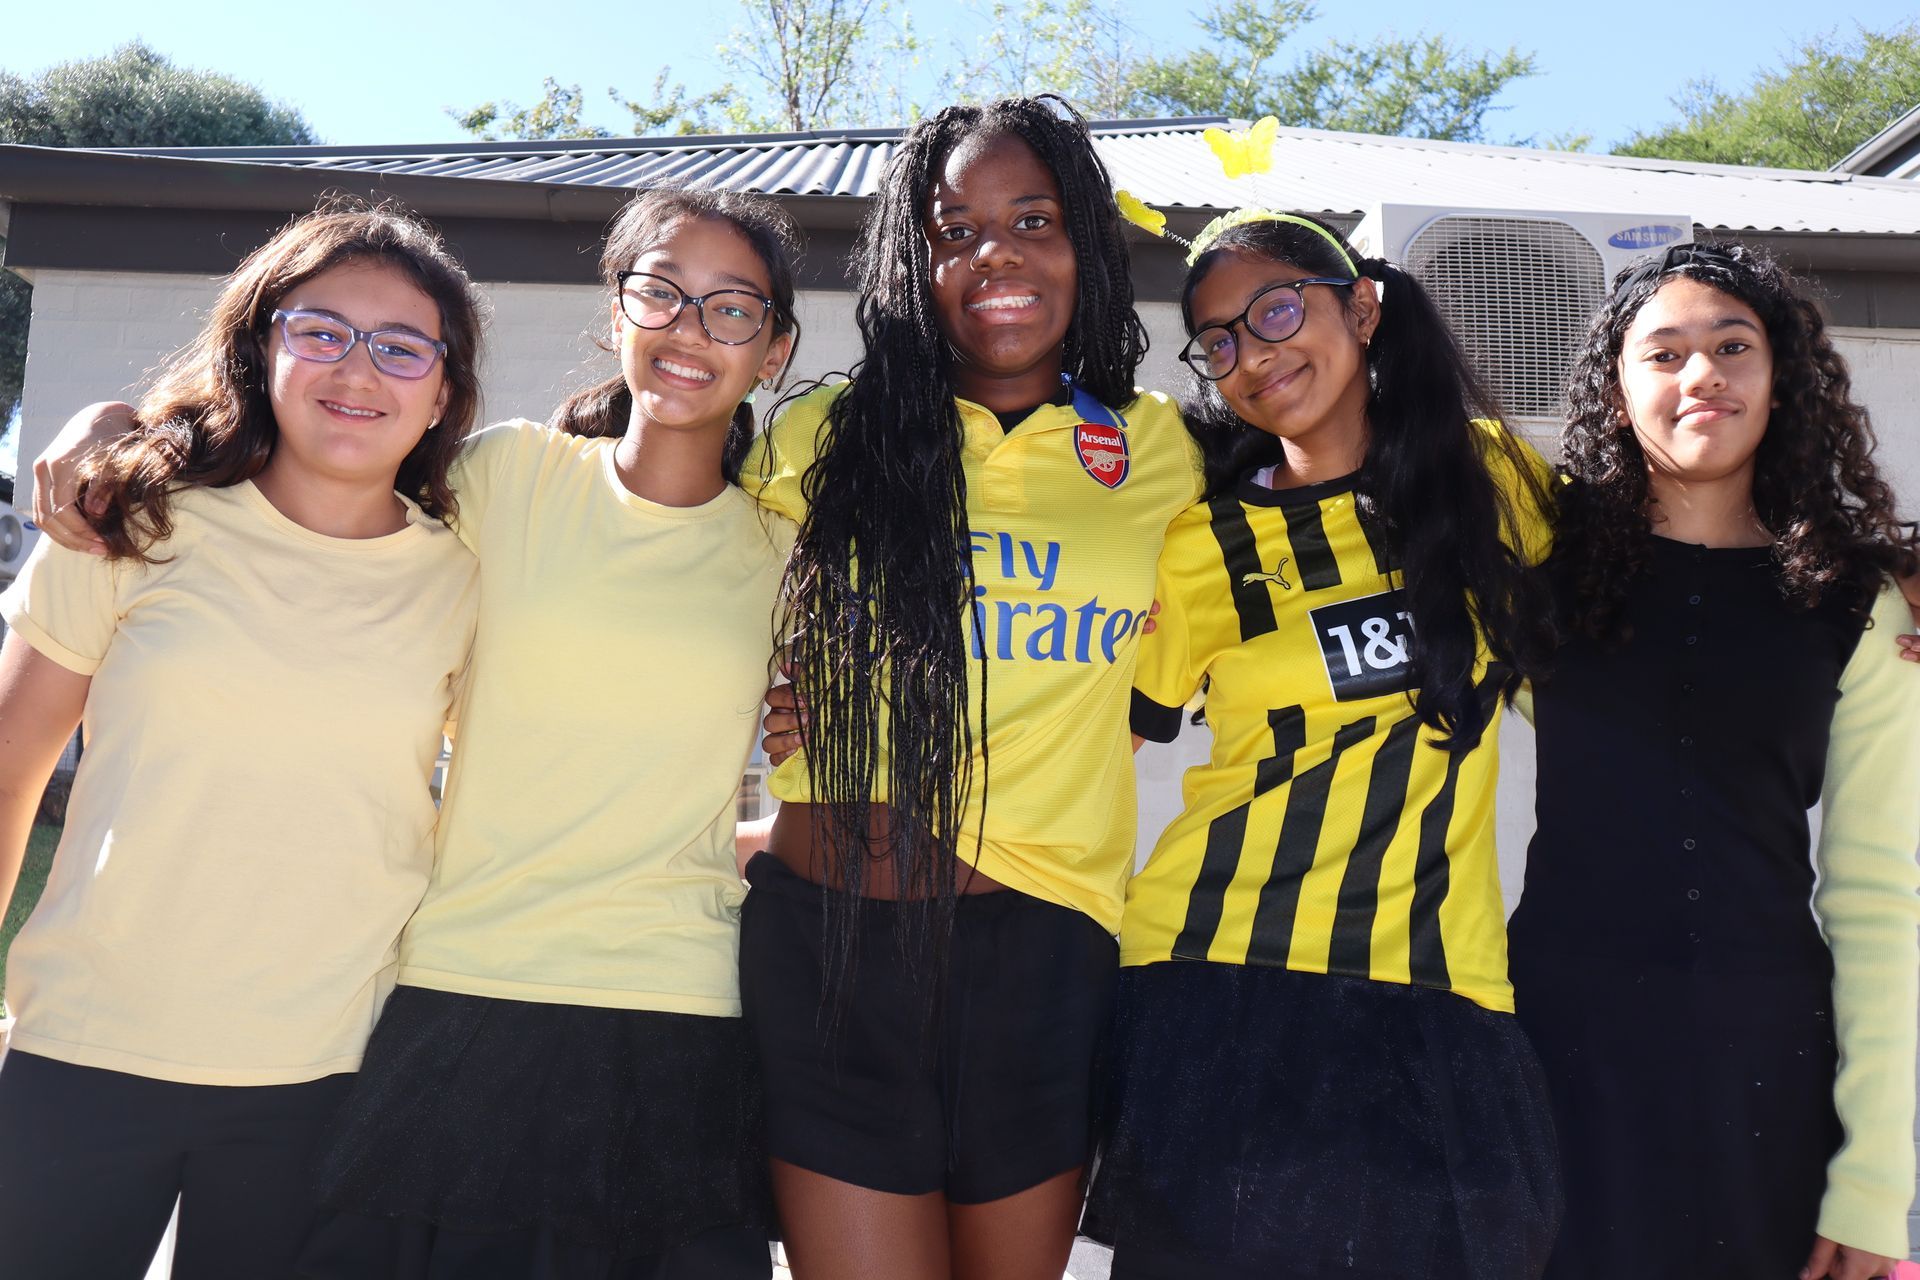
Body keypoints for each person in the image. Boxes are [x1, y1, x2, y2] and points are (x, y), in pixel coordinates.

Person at [31, 187, 801, 1280]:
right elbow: (311, 465)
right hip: (452, 995)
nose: (689, 327)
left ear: (774, 351)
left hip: (674, 1007)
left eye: (732, 309)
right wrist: (113, 422)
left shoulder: (786, 547)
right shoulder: (501, 480)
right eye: (661, 292)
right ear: (614, 315)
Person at [742, 95, 1204, 1280]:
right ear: (916, 257)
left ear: (1085, 246)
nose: (993, 254)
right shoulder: (821, 434)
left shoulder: (1166, 452)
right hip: (825, 946)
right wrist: (748, 691)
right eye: (955, 229)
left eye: (1033, 220)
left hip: (1040, 960)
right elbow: (682, 578)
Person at [0, 204, 482, 1279]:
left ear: (442, 390)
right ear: (262, 343)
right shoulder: (129, 517)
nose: (358, 369)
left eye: (402, 345)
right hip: (83, 1052)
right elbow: (8, 772)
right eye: (321, 329)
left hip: (330, 1079)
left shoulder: (469, 580)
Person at [1080, 209, 1564, 1280]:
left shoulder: (1489, 477)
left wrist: (1870, 569)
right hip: (1219, 983)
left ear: (1365, 306)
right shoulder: (1203, 542)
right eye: (1222, 341)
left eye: (1278, 309)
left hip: (1436, 993)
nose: (1254, 354)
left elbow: (1669, 561)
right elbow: (1076, 727)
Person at [1506, 242, 1920, 1280]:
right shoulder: (1531, 585)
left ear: (1782, 375)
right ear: (1616, 388)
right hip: (1558, 1050)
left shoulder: (1858, 605)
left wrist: (1874, 1176)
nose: (1703, 374)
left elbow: (1879, 895)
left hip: (1769, 1063)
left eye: (1734, 345)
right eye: (1666, 352)